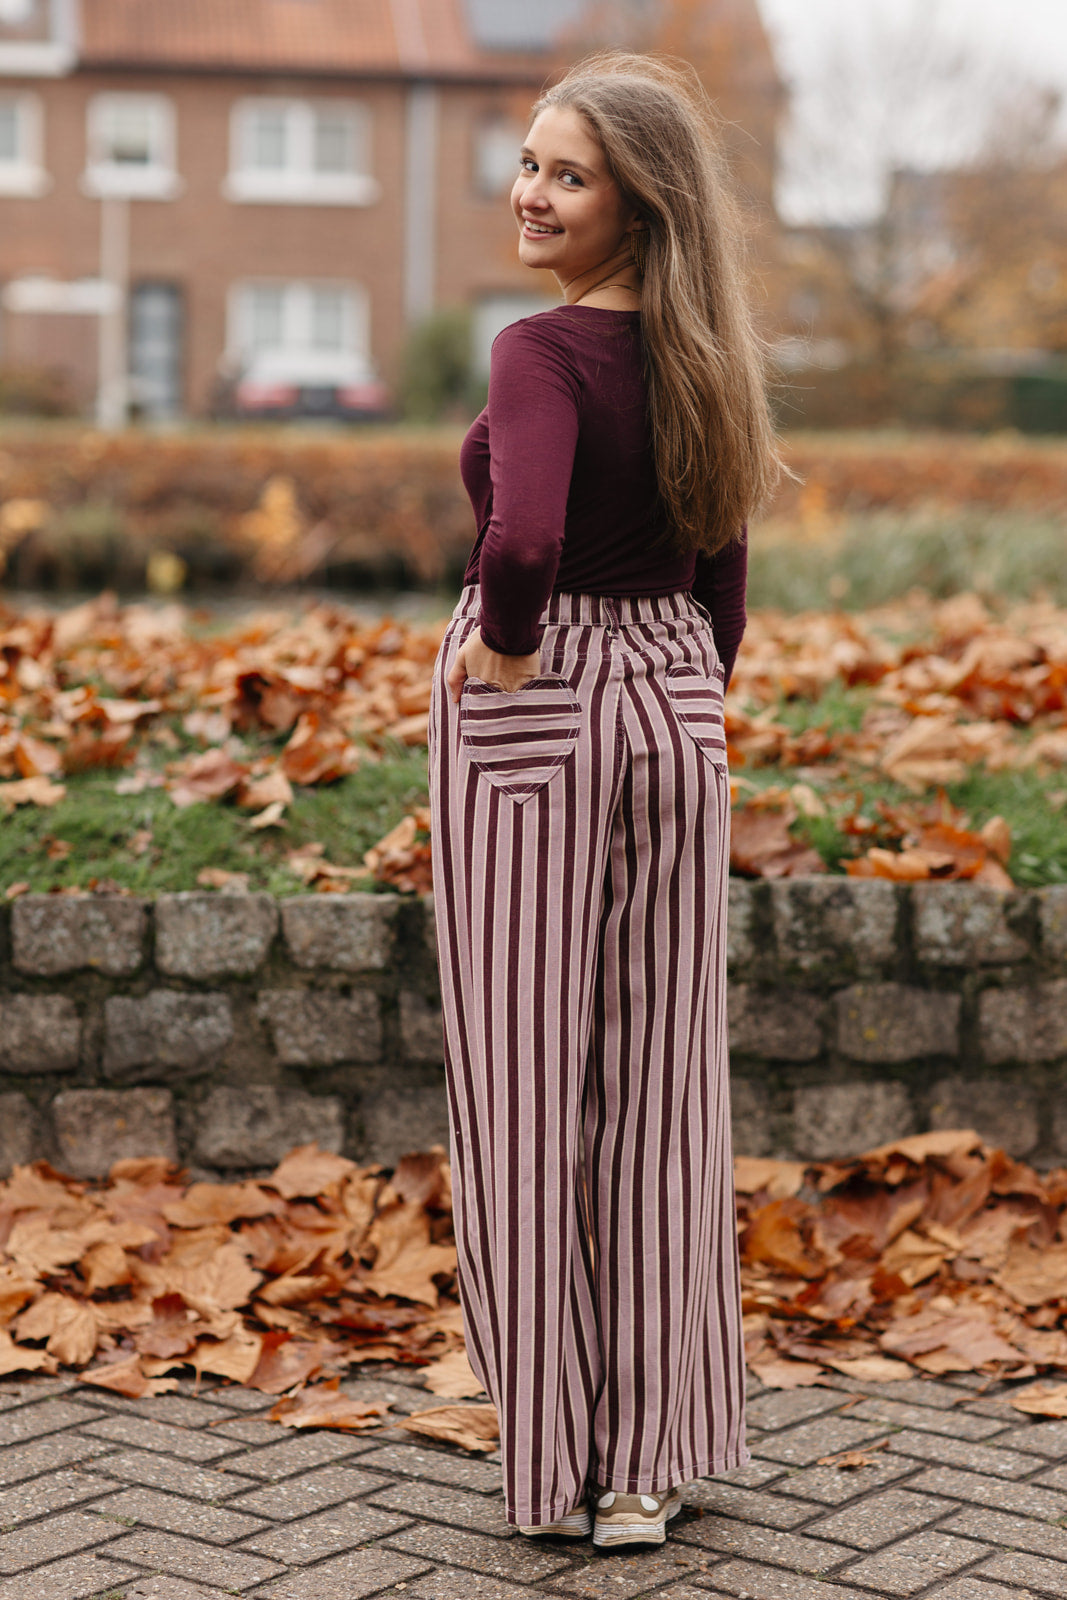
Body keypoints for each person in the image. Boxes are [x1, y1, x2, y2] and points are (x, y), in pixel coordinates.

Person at [428, 50, 782, 1548]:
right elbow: (725, 582)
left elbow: (523, 541)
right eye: (528, 162)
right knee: (660, 1087)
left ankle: (556, 1460)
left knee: (524, 1079)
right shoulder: (711, 357)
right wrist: (685, 699)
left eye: (567, 174)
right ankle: (648, 1465)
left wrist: (509, 651)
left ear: (636, 203)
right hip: (672, 699)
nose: (531, 192)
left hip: (544, 693)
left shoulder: (542, 352)